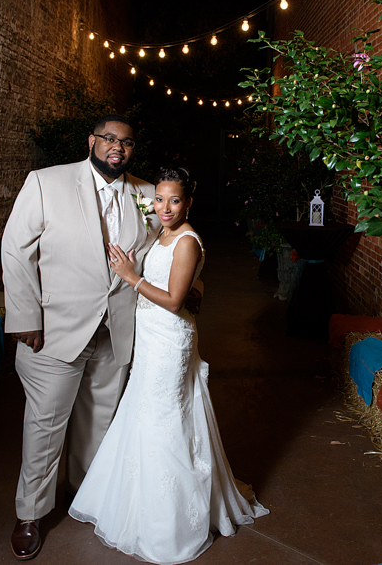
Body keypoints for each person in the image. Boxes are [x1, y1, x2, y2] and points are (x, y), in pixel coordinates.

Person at [69, 165, 268, 565]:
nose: (165, 207)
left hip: (170, 339)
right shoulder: (161, 232)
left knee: (165, 418)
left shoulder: (187, 240)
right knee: (143, 412)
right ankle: (137, 502)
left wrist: (130, 276)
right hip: (150, 338)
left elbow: (176, 300)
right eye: (159, 199)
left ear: (188, 202)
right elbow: (187, 286)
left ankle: (170, 522)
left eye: (174, 200)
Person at [1, 115, 161, 561]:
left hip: (117, 329)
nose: (118, 148)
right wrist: (24, 316)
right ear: (92, 141)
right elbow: (15, 250)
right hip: (52, 330)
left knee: (100, 420)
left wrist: (193, 286)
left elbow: (167, 246)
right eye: (110, 139)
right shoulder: (45, 183)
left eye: (127, 143)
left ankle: (84, 495)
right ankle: (30, 514)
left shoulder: (148, 195)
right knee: (45, 424)